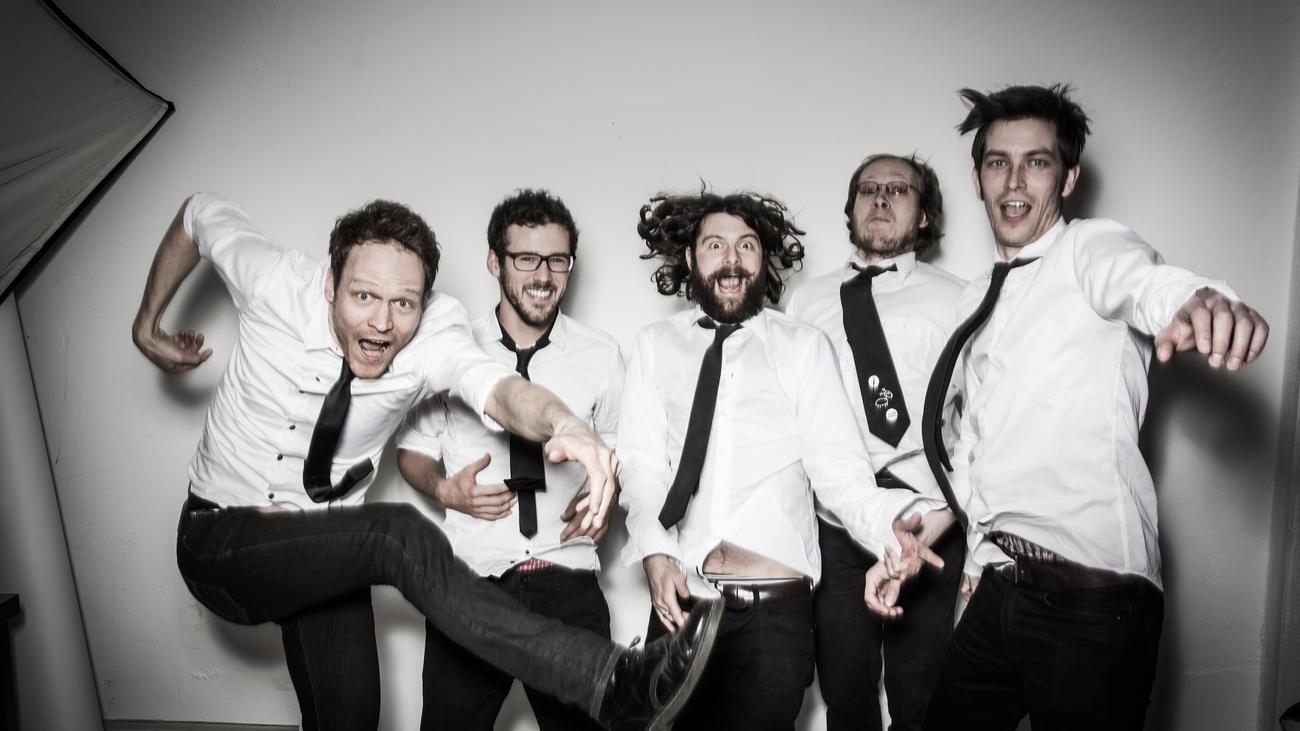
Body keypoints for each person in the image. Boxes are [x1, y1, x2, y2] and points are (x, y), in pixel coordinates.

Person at [131, 192, 721, 731]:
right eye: (363, 296)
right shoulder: (274, 281)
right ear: (330, 282)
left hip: (322, 552)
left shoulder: (436, 330)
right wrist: (147, 323)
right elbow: (197, 212)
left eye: (403, 303)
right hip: (220, 536)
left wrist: (565, 424)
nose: (382, 323)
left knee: (349, 720)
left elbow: (496, 387)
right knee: (394, 534)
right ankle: (610, 682)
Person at [868, 84, 1269, 730]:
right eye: (998, 162)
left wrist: (1201, 302)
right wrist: (934, 543)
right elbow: (981, 445)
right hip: (999, 586)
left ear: (1069, 176)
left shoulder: (1090, 249)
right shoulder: (977, 296)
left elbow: (1145, 282)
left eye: (1037, 161)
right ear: (977, 179)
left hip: (1091, 600)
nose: (1014, 180)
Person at [618, 189, 952, 730]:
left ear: (764, 259)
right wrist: (655, 555)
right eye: (715, 245)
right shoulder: (655, 346)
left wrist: (891, 529)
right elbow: (641, 467)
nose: (731, 260)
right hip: (684, 604)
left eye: (747, 245)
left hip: (773, 618)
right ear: (690, 259)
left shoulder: (803, 346)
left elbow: (839, 473)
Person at [397, 189, 624, 730]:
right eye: (526, 258)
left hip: (567, 578)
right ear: (494, 263)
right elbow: (412, 453)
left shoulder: (602, 355)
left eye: (557, 260)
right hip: (469, 581)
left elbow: (619, 452)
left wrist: (607, 494)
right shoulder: (451, 350)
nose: (543, 275)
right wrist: (444, 489)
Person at [785, 154, 964, 731]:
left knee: (924, 698)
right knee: (845, 694)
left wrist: (958, 515)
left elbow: (980, 418)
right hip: (836, 522)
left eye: (898, 189)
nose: (881, 199)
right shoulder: (804, 301)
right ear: (852, 207)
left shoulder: (960, 298)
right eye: (868, 189)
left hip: (926, 516)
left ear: (924, 214)